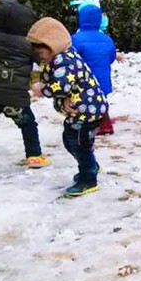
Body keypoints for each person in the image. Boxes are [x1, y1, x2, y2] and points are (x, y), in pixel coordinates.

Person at [28, 17, 108, 196]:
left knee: (79, 144)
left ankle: (89, 179)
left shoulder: (65, 60)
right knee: (71, 139)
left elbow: (62, 86)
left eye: (41, 52)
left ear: (53, 45)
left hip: (89, 111)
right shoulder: (55, 60)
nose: (39, 56)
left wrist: (43, 90)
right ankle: (90, 165)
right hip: (80, 112)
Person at [0, 0, 50, 168]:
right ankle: (34, 155)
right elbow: (42, 60)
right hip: (14, 97)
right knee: (27, 123)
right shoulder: (29, 44)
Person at [72, 4, 118, 135]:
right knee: (101, 101)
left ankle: (85, 125)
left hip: (84, 79)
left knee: (84, 102)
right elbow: (112, 56)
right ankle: (105, 124)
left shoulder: (76, 39)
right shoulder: (106, 39)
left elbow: (72, 58)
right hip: (102, 77)